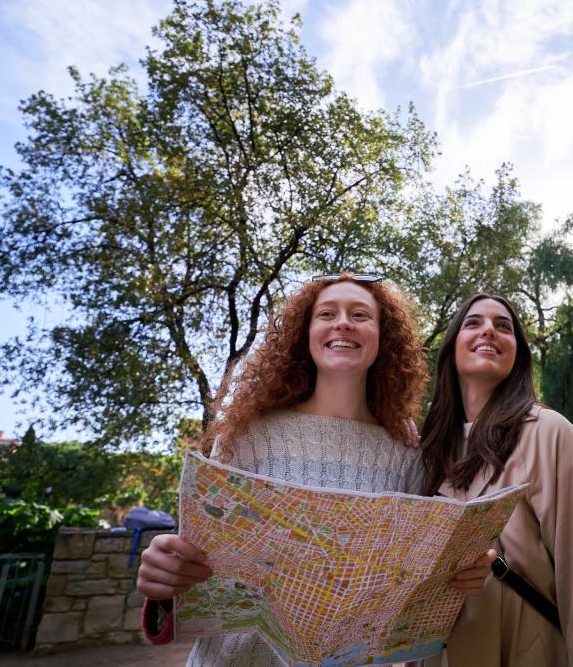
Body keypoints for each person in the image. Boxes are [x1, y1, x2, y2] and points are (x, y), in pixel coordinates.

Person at [134, 274, 493, 664]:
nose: (343, 323)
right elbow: (196, 568)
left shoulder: (406, 454)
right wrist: (164, 583)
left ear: (382, 339)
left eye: (360, 315)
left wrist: (459, 578)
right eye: (327, 313)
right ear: (306, 334)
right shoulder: (246, 436)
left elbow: (411, 590)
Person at [419, 293, 573, 665]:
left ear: (518, 354)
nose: (489, 331)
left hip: (524, 650)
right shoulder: (429, 451)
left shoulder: (549, 433)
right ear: (451, 348)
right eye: (473, 323)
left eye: (504, 326)